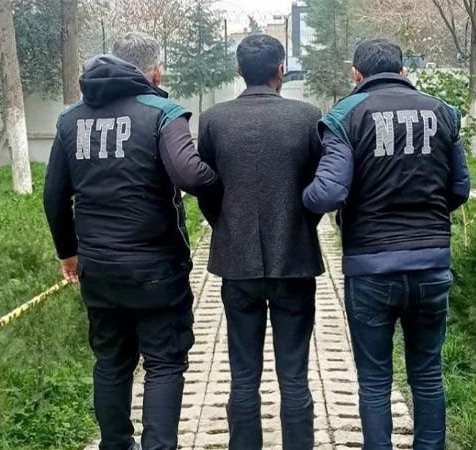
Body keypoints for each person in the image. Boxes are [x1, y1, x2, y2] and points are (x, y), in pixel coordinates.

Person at [43, 32, 220, 450]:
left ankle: (116, 445)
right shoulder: (162, 113)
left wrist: (68, 253)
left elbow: (54, 195)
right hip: (157, 269)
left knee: (110, 361)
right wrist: (226, 182)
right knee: (164, 363)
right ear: (154, 73)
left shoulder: (69, 120)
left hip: (98, 269)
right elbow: (191, 176)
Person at [303, 39, 470, 450]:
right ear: (403, 71)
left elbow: (328, 194)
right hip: (431, 264)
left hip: (371, 268)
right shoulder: (443, 113)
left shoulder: (345, 116)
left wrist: (298, 199)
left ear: (356, 74)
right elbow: (460, 189)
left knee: (375, 381)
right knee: (427, 375)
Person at [196, 34, 324, 450]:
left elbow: (207, 187)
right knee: (295, 377)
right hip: (295, 262)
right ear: (280, 70)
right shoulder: (308, 117)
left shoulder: (213, 120)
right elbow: (318, 188)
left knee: (243, 376)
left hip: (237, 264)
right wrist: (302, 225)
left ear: (238, 70)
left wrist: (226, 225)